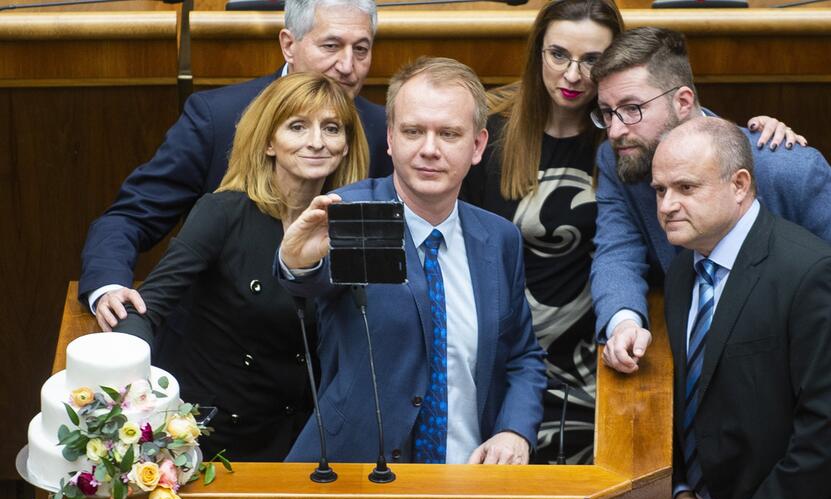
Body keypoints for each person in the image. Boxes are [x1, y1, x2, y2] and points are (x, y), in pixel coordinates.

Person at [461, 0, 805, 464]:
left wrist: (754, 135)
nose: (573, 75)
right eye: (558, 54)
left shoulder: (624, 141)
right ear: (537, 52)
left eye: (592, 61)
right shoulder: (491, 128)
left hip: (594, 356)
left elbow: (696, 141)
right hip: (511, 349)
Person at [590, 27, 831, 436]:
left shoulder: (788, 170)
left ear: (683, 101)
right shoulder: (619, 159)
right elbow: (616, 251)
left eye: (631, 109)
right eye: (607, 113)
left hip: (803, 403)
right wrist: (624, 321)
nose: (615, 130)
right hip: (701, 411)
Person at [278, 57, 547, 464]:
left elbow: (523, 356)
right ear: (390, 139)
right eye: (413, 131)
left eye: (449, 134)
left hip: (472, 477)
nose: (429, 149)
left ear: (477, 146)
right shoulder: (353, 212)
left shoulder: (498, 239)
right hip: (357, 478)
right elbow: (308, 285)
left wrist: (514, 431)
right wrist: (296, 264)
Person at [82, 0, 392, 332]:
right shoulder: (217, 117)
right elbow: (131, 217)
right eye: (331, 46)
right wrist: (109, 289)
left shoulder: (383, 130)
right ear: (289, 44)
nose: (347, 65)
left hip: (327, 347)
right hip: (224, 346)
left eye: (361, 49)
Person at [114, 73, 369, 461]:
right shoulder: (223, 212)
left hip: (311, 445)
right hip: (216, 443)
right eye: (298, 126)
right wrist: (129, 398)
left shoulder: (352, 223)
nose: (317, 141)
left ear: (347, 144)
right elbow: (150, 309)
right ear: (269, 141)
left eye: (332, 128)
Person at [656, 117, 831, 499]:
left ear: (740, 185)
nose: (666, 204)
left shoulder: (815, 274)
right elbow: (693, 404)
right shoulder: (681, 273)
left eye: (686, 188)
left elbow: (830, 427)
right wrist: (683, 489)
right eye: (660, 190)